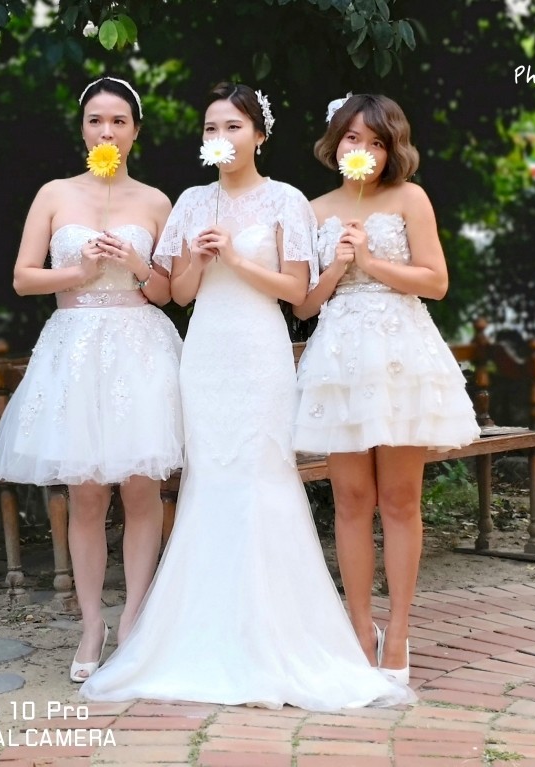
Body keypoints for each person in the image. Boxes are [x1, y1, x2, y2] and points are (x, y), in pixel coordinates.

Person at [80, 83, 415, 710]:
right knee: (209, 478)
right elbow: (179, 295)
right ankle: (202, 633)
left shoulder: (286, 199)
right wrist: (200, 259)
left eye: (233, 127)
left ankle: (280, 635)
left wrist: (234, 254)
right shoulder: (190, 201)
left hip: (261, 353)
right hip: (207, 354)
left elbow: (295, 292)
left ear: (259, 135)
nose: (221, 138)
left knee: (264, 475)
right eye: (211, 129)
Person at [0, 76, 183, 682]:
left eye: (119, 121)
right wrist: (78, 269)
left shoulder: (155, 201)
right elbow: (23, 278)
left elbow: (170, 292)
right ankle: (92, 621)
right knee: (87, 494)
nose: (107, 132)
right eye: (96, 120)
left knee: (142, 491)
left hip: (139, 348)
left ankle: (135, 619)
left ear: (136, 132)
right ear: (82, 129)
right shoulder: (54, 194)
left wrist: (136, 263)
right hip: (74, 348)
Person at [293, 94, 481, 683]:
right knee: (350, 499)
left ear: (392, 148)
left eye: (377, 142)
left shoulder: (409, 198)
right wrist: (336, 265)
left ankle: (397, 631)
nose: (365, 151)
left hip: (401, 355)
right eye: (354, 138)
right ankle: (358, 628)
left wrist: (371, 262)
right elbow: (303, 305)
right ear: (336, 143)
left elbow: (437, 282)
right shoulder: (312, 209)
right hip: (339, 360)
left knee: (399, 500)